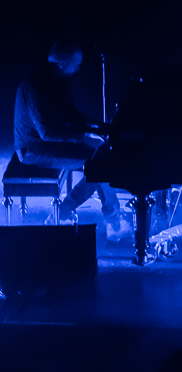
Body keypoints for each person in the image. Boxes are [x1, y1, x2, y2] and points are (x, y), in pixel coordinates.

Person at [13, 41, 131, 240]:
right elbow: (46, 133)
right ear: (62, 63)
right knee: (99, 164)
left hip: (48, 142)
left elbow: (71, 114)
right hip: (32, 148)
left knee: (101, 161)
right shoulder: (35, 86)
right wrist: (84, 137)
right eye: (76, 64)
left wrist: (100, 127)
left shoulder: (58, 80)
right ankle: (112, 222)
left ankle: (74, 214)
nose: (78, 69)